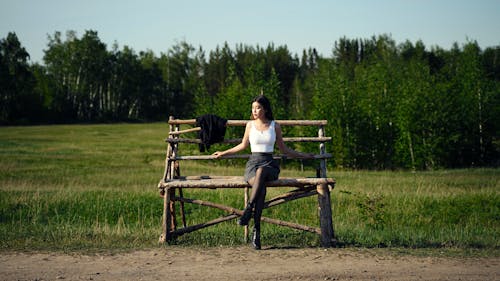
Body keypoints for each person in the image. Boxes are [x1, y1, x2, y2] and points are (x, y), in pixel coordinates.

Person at [212, 95, 314, 250]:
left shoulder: (275, 126)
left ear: (265, 109)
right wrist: (223, 153)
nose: (254, 111)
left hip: (270, 165)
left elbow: (284, 149)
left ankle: (248, 209)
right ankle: (256, 232)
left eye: (258, 107)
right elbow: (242, 145)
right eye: (253, 108)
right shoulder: (250, 125)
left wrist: (304, 155)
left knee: (262, 172)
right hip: (253, 165)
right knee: (261, 189)